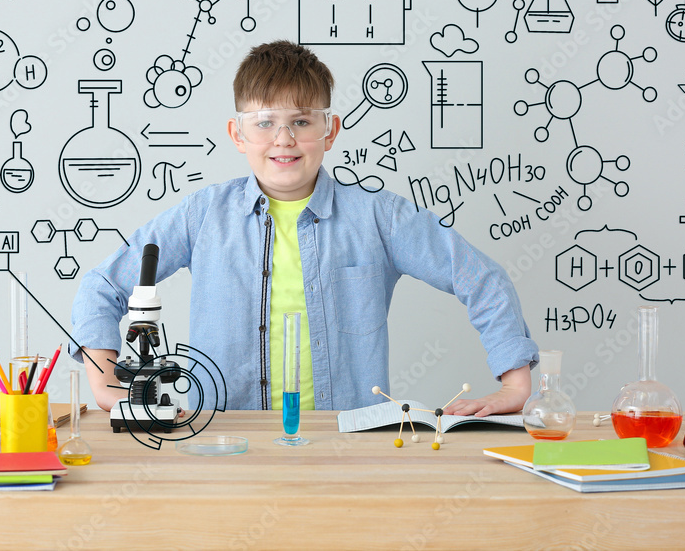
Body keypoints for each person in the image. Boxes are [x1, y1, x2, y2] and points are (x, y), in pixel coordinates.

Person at [70, 40, 538, 415]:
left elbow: (480, 278)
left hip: (347, 447)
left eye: (300, 121)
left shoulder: (379, 218)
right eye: (265, 123)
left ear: (330, 130)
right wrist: (110, 387)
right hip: (227, 443)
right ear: (238, 135)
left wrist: (514, 386)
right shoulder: (202, 215)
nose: (283, 139)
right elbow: (101, 286)